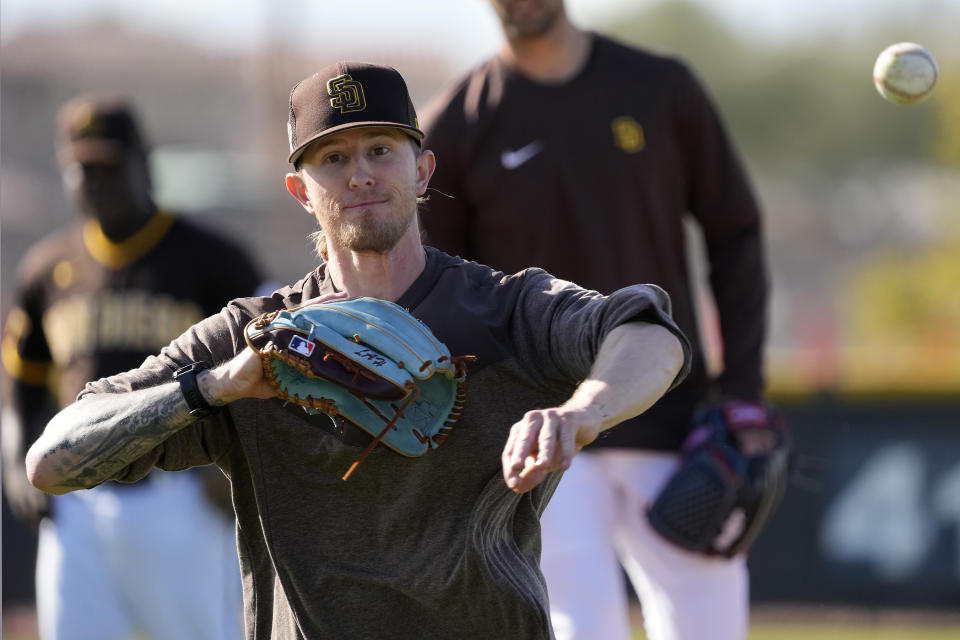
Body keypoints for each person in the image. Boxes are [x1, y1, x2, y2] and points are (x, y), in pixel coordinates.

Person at [24, 62, 691, 640]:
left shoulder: (504, 309)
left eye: (380, 149)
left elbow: (650, 335)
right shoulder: (249, 336)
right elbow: (52, 462)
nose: (360, 174)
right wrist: (215, 387)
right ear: (301, 192)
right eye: (333, 158)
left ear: (422, 169)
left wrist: (582, 412)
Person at [419, 1, 772, 638]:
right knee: (581, 628)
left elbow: (736, 234)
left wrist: (742, 395)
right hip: (540, 433)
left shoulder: (661, 87)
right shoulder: (454, 124)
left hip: (673, 416)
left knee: (711, 628)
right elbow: (440, 291)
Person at [2, 94, 264, 640]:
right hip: (77, 501)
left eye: (109, 167)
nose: (96, 182)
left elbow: (266, 365)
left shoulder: (212, 259)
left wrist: (237, 468)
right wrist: (16, 463)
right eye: (81, 169)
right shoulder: (46, 270)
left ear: (143, 162)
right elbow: (22, 385)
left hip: (182, 493)